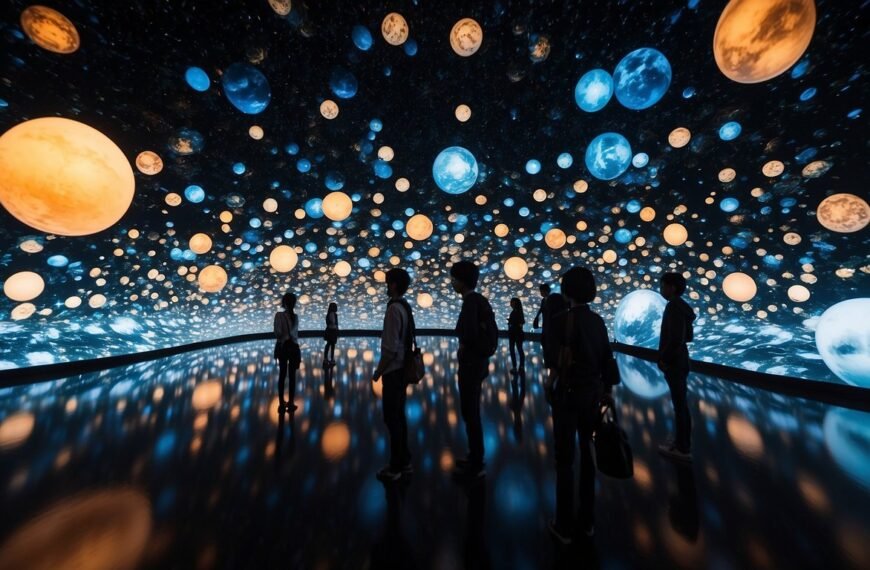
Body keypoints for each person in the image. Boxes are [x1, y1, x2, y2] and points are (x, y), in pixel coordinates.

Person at [546, 267, 614, 544]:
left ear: (566, 290)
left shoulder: (560, 321)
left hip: (567, 396)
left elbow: (553, 363)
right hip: (592, 395)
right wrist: (607, 392)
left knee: (564, 459)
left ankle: (563, 525)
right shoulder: (598, 321)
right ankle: (587, 523)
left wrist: (548, 387)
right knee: (588, 455)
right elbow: (607, 359)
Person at [450, 260, 493, 479]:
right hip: (479, 364)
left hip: (470, 366)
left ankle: (476, 462)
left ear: (461, 280)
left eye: (453, 279)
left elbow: (469, 333)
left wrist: (464, 349)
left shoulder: (470, 303)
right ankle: (475, 456)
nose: (451, 283)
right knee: (472, 411)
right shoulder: (480, 301)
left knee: (471, 412)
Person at [371, 268, 414, 482]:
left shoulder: (393, 310)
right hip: (402, 370)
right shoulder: (405, 308)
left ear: (394, 285)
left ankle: (396, 466)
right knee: (399, 417)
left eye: (388, 283)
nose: (386, 287)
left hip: (393, 371)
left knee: (391, 418)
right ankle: (404, 462)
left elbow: (390, 348)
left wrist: (378, 372)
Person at [657, 272, 696, 462]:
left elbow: (676, 339)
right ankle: (682, 441)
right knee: (681, 404)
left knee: (679, 406)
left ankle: (682, 448)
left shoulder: (673, 307)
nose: (661, 289)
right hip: (682, 360)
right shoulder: (683, 307)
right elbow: (687, 337)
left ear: (672, 287)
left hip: (674, 362)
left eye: (663, 285)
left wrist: (664, 358)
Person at [273, 292, 301, 412]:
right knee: (287, 375)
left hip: (287, 347)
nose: (290, 304)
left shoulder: (291, 316)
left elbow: (278, 332)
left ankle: (285, 403)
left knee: (286, 375)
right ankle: (286, 403)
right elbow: (280, 333)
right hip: (288, 347)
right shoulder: (285, 316)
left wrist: (285, 337)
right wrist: (287, 337)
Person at [508, 297, 526, 375]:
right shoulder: (516, 312)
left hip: (516, 333)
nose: (510, 304)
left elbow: (521, 322)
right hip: (515, 333)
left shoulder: (516, 312)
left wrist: (512, 322)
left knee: (517, 350)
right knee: (518, 350)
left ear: (515, 303)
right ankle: (519, 367)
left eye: (512, 302)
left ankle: (517, 367)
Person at [323, 302, 338, 369]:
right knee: (330, 345)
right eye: (335, 307)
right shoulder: (332, 314)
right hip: (331, 331)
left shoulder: (332, 314)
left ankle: (330, 359)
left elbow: (334, 323)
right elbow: (333, 322)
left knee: (331, 345)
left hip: (332, 331)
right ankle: (327, 359)